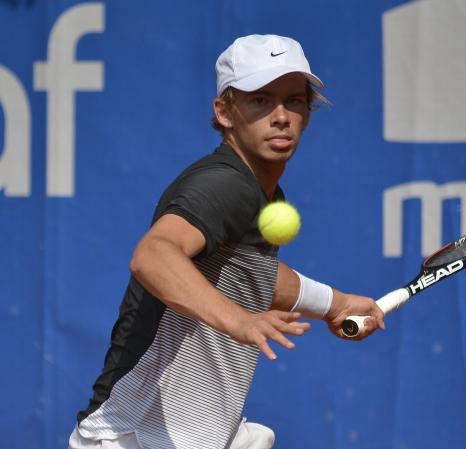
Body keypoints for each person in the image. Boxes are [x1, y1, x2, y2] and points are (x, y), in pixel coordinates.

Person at [68, 34, 385, 449]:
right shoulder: (224, 184)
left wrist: (335, 304)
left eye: (294, 101)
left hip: (190, 435)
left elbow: (251, 274)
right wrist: (240, 321)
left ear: (308, 113)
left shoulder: (260, 191)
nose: (281, 116)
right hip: (135, 436)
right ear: (224, 112)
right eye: (260, 100)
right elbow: (153, 255)